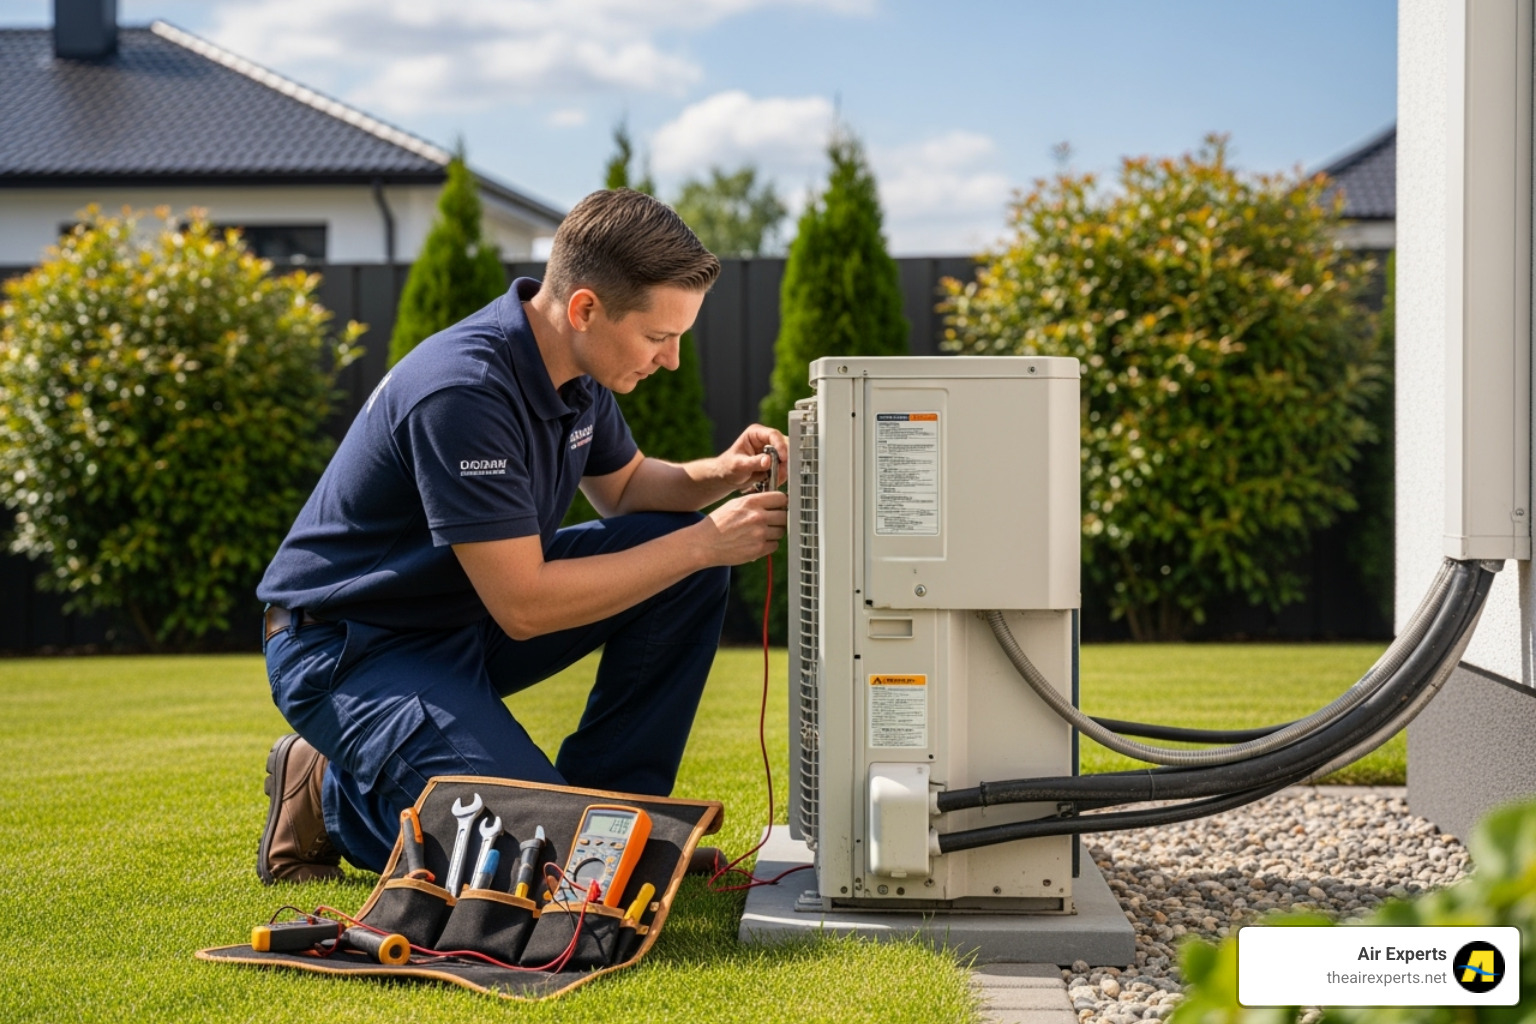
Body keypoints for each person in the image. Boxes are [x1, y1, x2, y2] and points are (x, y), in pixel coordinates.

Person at [255, 188, 788, 883]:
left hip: (459, 619)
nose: (672, 360)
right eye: (659, 337)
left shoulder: (576, 369)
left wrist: (721, 473)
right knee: (537, 864)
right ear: (585, 309)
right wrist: (706, 541)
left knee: (686, 565)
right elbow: (526, 606)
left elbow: (624, 489)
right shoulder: (463, 393)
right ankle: (327, 797)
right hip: (349, 648)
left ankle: (620, 818)